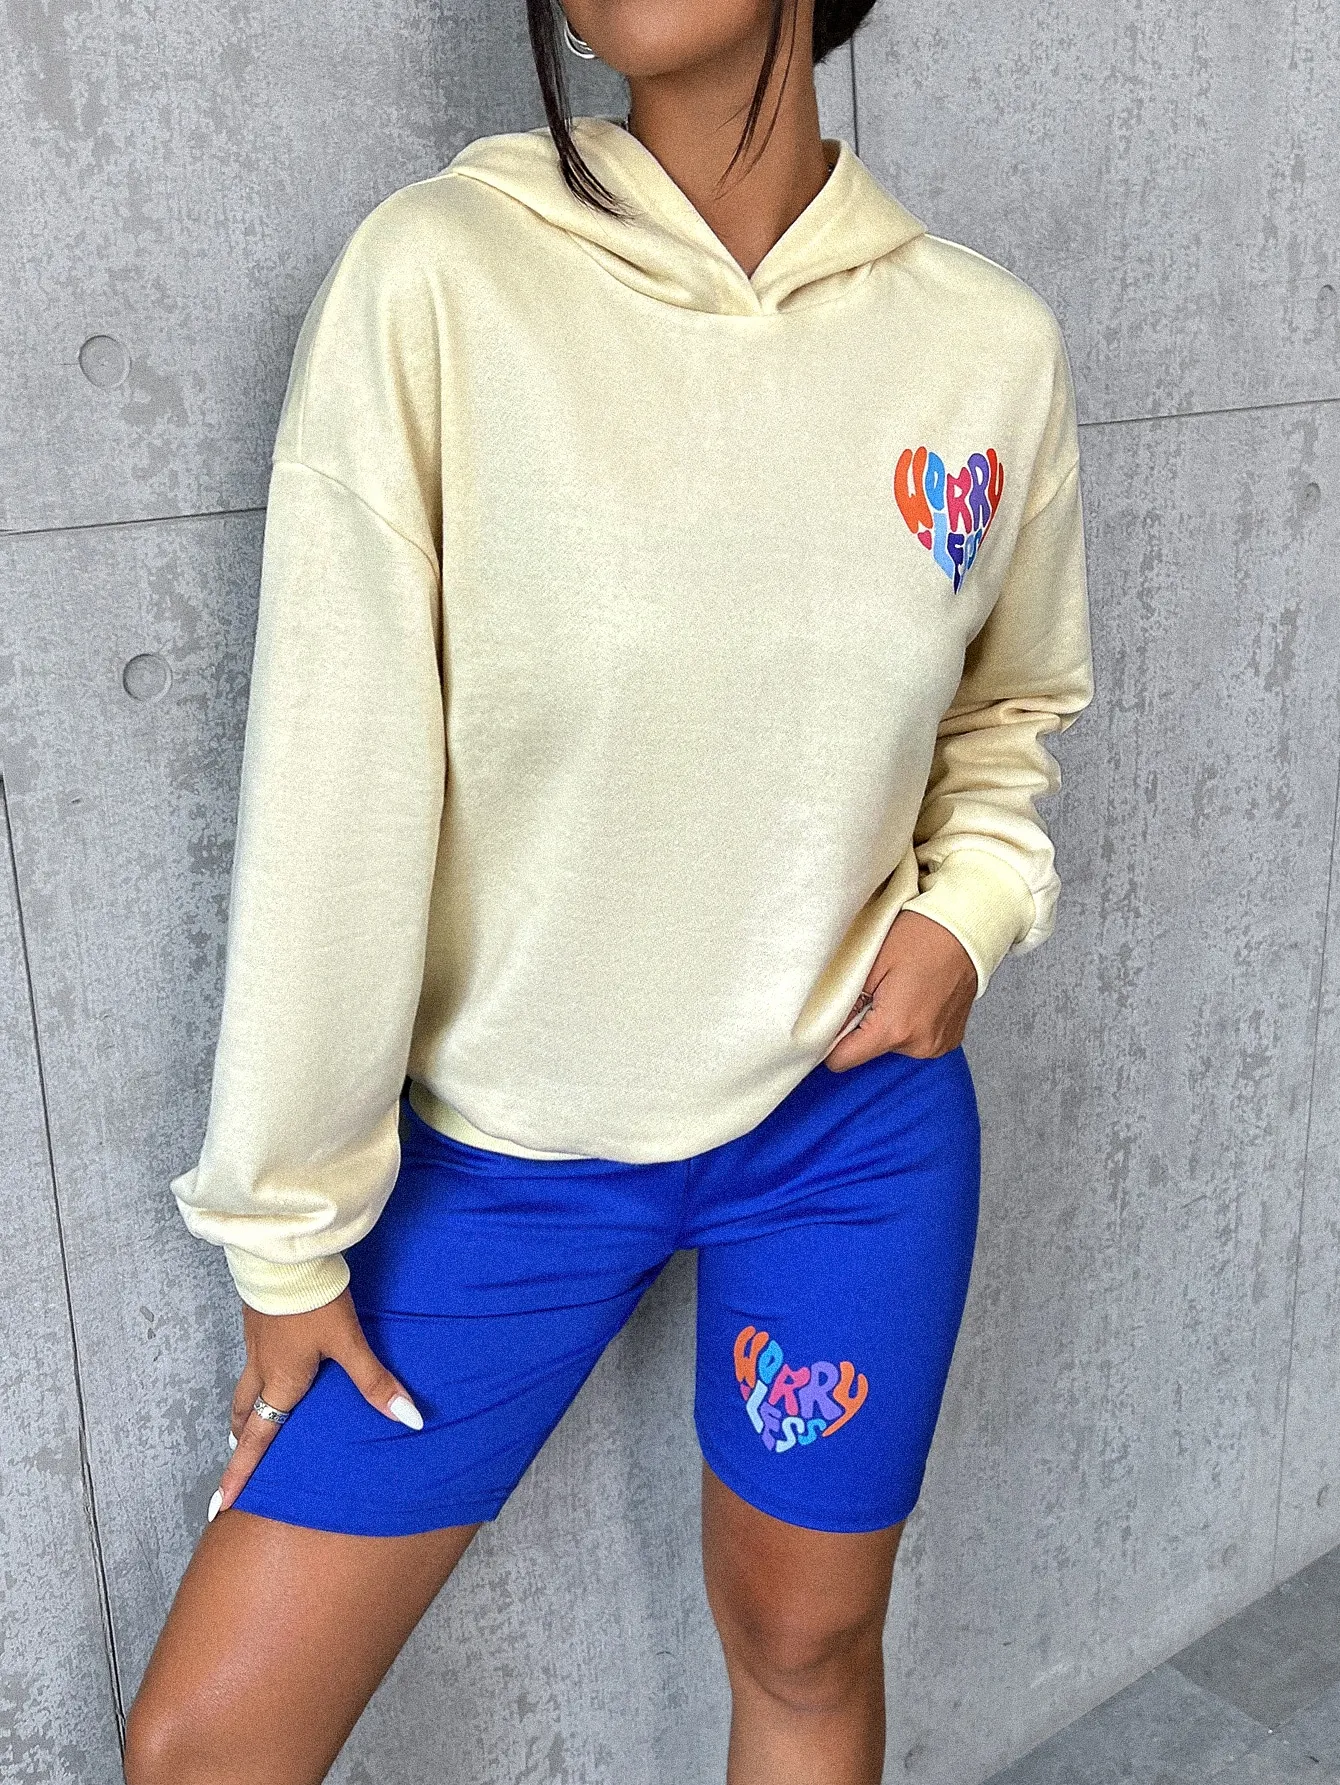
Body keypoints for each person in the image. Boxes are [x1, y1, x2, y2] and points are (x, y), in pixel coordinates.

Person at [124, 2, 1092, 1781]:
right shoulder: (441, 283)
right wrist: (288, 1229)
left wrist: (968, 910)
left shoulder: (983, 346)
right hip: (505, 1162)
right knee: (208, 1746)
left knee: (807, 1645)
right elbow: (335, 776)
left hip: (849, 1132)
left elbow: (1011, 707)